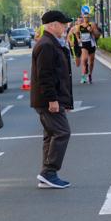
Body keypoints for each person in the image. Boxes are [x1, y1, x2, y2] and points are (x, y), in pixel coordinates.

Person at [31, 10, 74, 189]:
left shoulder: (53, 43)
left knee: (51, 135)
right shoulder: (47, 45)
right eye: (63, 24)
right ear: (53, 25)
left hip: (50, 98)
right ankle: (49, 171)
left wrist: (64, 101)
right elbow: (45, 76)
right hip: (47, 100)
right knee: (62, 132)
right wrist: (52, 100)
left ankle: (48, 174)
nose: (66, 27)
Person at [75, 14, 101, 83]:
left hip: (91, 45)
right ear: (83, 18)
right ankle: (83, 77)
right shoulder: (80, 26)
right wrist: (78, 39)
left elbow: (97, 34)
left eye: (87, 17)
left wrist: (92, 31)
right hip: (84, 44)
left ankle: (90, 75)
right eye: (85, 17)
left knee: (91, 62)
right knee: (84, 59)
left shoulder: (92, 25)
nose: (86, 18)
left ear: (89, 18)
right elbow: (76, 33)